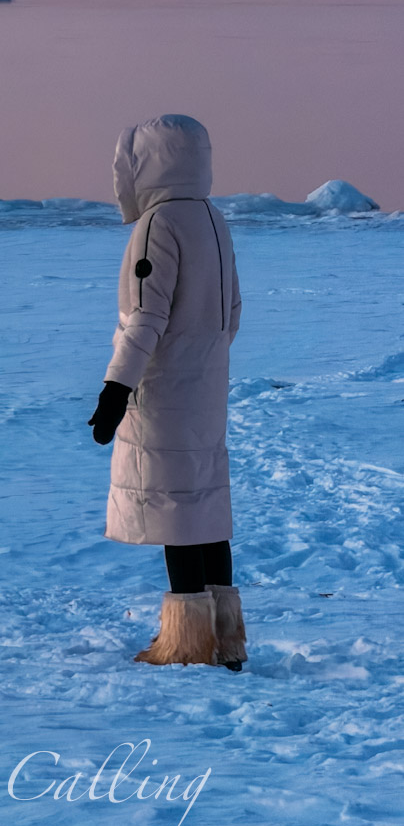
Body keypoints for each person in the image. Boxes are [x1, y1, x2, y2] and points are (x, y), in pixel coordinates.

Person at [88, 114, 247, 670]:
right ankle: (226, 637)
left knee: (178, 515)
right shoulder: (213, 219)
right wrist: (205, 360)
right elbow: (231, 314)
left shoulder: (157, 226)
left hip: (166, 395)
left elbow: (144, 319)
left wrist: (115, 391)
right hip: (207, 387)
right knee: (205, 510)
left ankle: (186, 643)